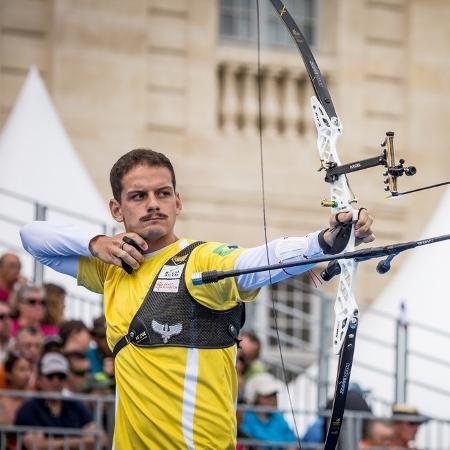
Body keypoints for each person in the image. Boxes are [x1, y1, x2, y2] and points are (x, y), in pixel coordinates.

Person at [19, 148, 374, 449]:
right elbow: (32, 237)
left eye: (163, 193)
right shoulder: (112, 268)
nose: (153, 205)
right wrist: (97, 243)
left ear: (178, 201)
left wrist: (323, 242)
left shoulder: (199, 260)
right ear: (117, 209)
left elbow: (253, 261)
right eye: (138, 196)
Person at [14, 352, 103, 449]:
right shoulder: (29, 409)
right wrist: (81, 441)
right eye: (50, 376)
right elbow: (35, 445)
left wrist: (51, 443)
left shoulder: (76, 405)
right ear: (39, 379)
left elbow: (101, 439)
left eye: (61, 376)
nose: (56, 382)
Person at [239, 372, 298, 449]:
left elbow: (292, 442)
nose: (273, 399)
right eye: (267, 395)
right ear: (255, 397)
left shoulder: (278, 418)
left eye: (274, 394)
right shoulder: (246, 418)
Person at [0, 351, 33, 425]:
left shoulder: (34, 400)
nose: (27, 374)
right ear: (8, 373)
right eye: (22, 369)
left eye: (29, 369)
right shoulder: (1, 402)